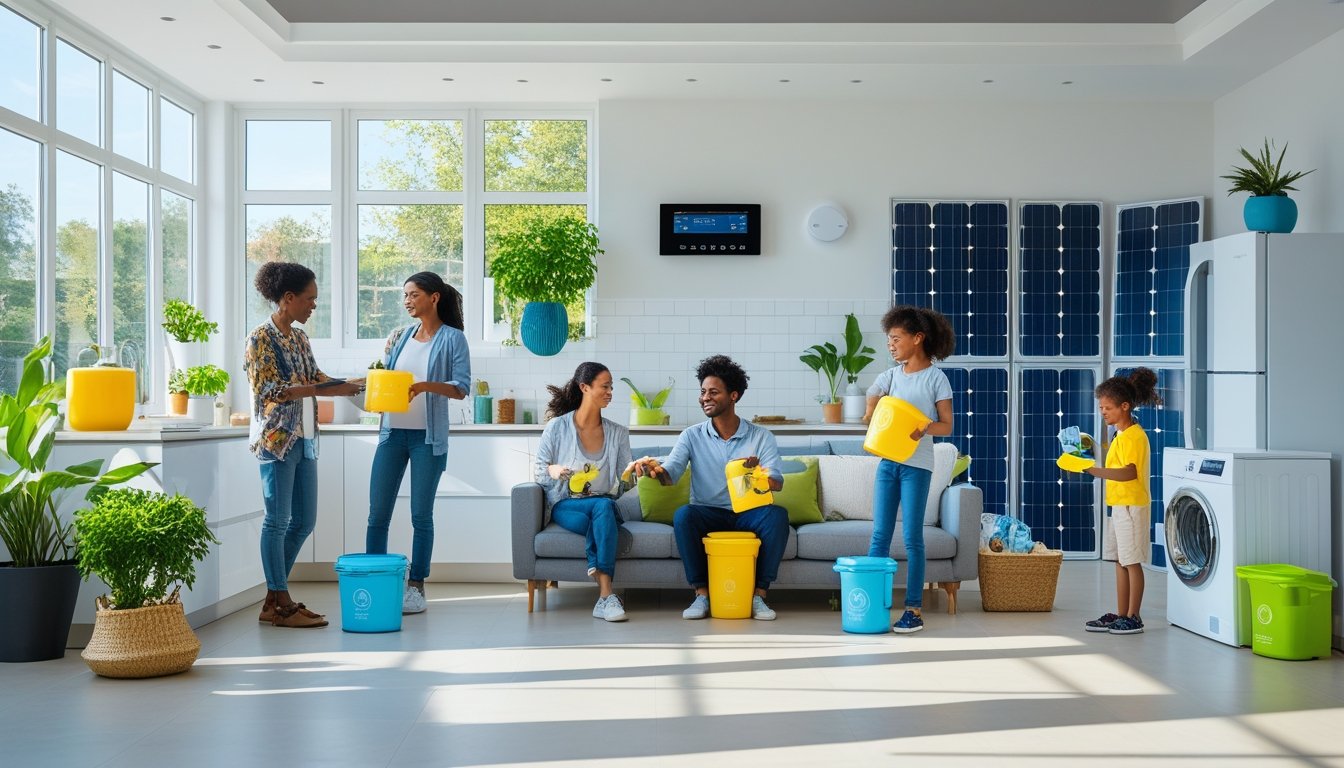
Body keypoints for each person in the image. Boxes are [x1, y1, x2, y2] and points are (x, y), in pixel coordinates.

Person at [246, 261, 363, 629]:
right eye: (310, 299)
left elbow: (315, 377)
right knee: (277, 521)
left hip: (305, 437)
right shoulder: (259, 338)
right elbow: (270, 391)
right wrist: (327, 389)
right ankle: (281, 601)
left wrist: (354, 382)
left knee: (303, 522)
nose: (314, 305)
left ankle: (273, 600)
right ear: (288, 298)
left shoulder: (299, 337)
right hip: (277, 440)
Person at [628, 355, 788, 621]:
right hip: (708, 512)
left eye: (713, 392)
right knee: (684, 516)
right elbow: (671, 474)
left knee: (778, 516)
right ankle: (702, 595)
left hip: (750, 513)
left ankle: (758, 596)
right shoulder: (691, 435)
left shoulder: (761, 436)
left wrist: (756, 473)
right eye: (703, 392)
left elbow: (777, 483)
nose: (705, 398)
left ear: (733, 395)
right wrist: (654, 471)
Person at [365, 272, 471, 615]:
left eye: (413, 294)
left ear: (434, 297)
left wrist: (426, 386)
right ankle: (375, 579)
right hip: (392, 434)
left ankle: (416, 587)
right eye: (405, 295)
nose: (407, 300)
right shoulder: (400, 337)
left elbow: (460, 387)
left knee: (420, 516)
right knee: (377, 515)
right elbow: (390, 380)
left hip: (428, 439)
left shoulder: (454, 339)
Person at [861, 305, 956, 634]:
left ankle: (913, 608)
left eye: (895, 338)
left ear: (918, 338)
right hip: (888, 463)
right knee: (879, 536)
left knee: (912, 538)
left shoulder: (936, 378)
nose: (890, 344)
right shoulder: (891, 375)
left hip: (917, 465)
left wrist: (924, 426)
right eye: (889, 339)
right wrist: (871, 411)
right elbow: (873, 394)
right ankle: (873, 602)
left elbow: (947, 426)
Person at [534, 362, 634, 622]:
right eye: (605, 386)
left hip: (603, 503)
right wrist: (553, 469)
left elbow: (625, 483)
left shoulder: (618, 433)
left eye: (611, 387)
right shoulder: (557, 427)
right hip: (566, 505)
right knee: (604, 511)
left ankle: (604, 597)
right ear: (584, 387)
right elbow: (538, 470)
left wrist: (636, 473)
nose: (610, 391)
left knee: (602, 510)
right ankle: (607, 597)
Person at [1082, 368, 1161, 635]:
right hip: (1118, 504)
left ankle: (1134, 616)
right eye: (1101, 407)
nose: (1103, 412)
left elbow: (1130, 472)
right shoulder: (1119, 434)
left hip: (1132, 506)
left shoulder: (1135, 436)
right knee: (1119, 560)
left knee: (1132, 562)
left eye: (1108, 408)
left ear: (1124, 406)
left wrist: (1095, 470)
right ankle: (1121, 614)